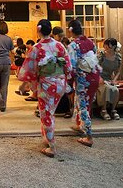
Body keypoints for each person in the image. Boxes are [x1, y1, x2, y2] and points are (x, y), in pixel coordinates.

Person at [25, 19, 72, 157]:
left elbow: (31, 70)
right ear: (50, 30)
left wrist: (33, 86)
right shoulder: (59, 46)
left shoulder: (36, 48)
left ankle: (52, 146)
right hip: (60, 83)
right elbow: (68, 66)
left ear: (38, 30)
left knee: (46, 113)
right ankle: (46, 137)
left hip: (46, 83)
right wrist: (66, 79)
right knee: (49, 111)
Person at [67, 19, 101, 147]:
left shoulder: (73, 45)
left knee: (83, 105)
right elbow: (95, 58)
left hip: (83, 78)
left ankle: (89, 136)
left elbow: (72, 66)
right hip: (94, 75)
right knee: (85, 103)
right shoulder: (90, 42)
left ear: (71, 30)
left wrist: (69, 82)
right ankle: (80, 125)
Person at [97, 38, 122, 120]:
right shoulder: (101, 55)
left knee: (115, 90)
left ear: (114, 46)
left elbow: (118, 71)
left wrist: (114, 80)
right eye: (105, 46)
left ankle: (113, 110)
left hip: (109, 79)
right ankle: (103, 110)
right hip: (99, 78)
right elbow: (95, 69)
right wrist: (100, 79)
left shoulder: (118, 57)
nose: (106, 47)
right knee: (106, 88)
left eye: (108, 46)